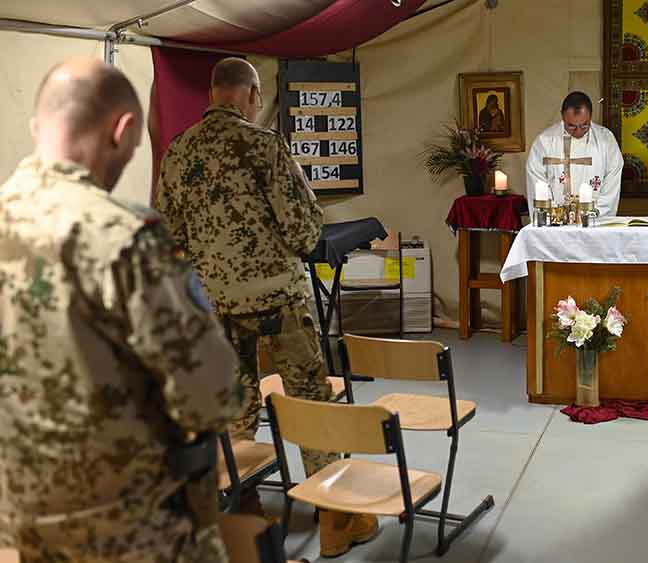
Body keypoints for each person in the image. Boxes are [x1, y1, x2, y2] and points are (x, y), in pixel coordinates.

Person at [0, 57, 240, 562]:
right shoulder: (124, 238)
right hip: (128, 526)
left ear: (36, 126)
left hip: (17, 523)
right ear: (124, 130)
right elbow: (213, 394)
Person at [156, 57, 378, 557]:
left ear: (214, 94)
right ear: (252, 95)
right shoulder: (265, 146)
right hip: (277, 299)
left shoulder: (178, 153)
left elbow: (168, 239)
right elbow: (304, 232)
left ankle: (246, 505)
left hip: (214, 305)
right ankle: (336, 520)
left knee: (236, 407)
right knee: (308, 402)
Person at [526, 91, 624, 218]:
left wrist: (594, 214)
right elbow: (536, 178)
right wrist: (553, 215)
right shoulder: (545, 142)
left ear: (591, 116)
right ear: (562, 117)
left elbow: (612, 180)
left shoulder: (606, 140)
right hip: (557, 223)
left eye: (584, 126)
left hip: (594, 222)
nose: (578, 132)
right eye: (571, 126)